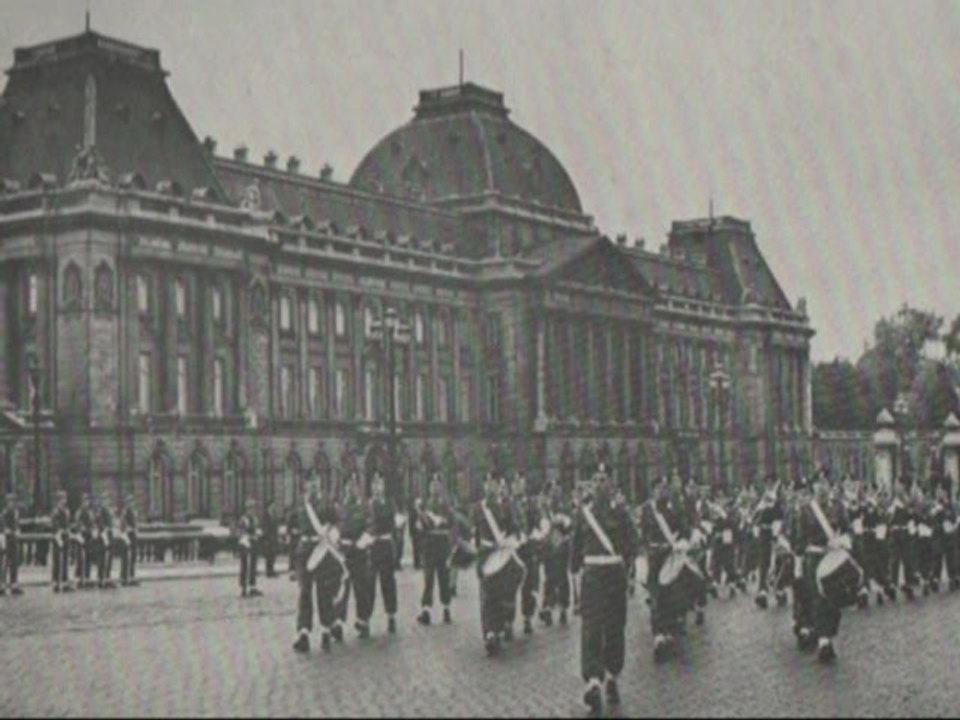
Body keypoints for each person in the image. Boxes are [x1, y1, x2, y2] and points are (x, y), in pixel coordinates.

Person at [573, 469, 639, 715]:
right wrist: (573, 571)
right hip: (591, 577)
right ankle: (593, 680)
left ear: (611, 483)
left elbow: (633, 542)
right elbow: (576, 545)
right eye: (595, 480)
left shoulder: (620, 512)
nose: (599, 484)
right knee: (590, 626)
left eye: (603, 480)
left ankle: (612, 674)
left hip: (613, 576)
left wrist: (628, 570)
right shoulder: (584, 512)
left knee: (614, 626)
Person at [792, 471, 852, 663]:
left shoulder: (838, 507)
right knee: (818, 597)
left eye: (825, 482)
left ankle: (827, 635)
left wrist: (842, 540)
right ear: (813, 488)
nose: (822, 486)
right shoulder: (806, 510)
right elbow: (799, 539)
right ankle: (823, 641)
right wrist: (799, 562)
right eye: (818, 483)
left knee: (834, 599)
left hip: (834, 557)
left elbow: (848, 529)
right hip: (815, 558)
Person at [641, 475, 694, 661]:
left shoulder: (675, 509)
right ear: (653, 491)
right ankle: (658, 634)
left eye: (664, 488)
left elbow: (685, 530)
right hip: (654, 557)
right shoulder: (647, 510)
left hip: (671, 557)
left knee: (671, 593)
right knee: (655, 595)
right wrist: (647, 548)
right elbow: (643, 534)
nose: (661, 491)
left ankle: (670, 630)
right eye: (658, 488)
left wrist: (682, 543)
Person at [293, 480, 345, 654]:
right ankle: (303, 633)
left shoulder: (327, 503)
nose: (313, 486)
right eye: (310, 483)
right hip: (304, 552)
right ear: (305, 485)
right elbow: (293, 526)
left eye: (316, 482)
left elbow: (339, 521)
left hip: (322, 550)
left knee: (324, 592)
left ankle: (325, 630)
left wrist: (334, 532)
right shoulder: (301, 504)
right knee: (304, 592)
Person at [474, 474, 523, 654]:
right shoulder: (479, 508)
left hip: (501, 554)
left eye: (493, 483)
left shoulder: (506, 506)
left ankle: (500, 626)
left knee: (499, 593)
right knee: (486, 595)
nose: (490, 487)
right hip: (486, 554)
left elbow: (514, 529)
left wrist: (511, 541)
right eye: (487, 483)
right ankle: (489, 633)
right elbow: (475, 534)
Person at [417, 477, 455, 626]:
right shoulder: (425, 504)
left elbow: (451, 522)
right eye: (432, 485)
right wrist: (421, 523)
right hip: (429, 545)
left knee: (444, 577)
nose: (434, 488)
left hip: (442, 544)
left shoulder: (446, 504)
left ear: (441, 487)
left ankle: (446, 608)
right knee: (428, 579)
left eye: (437, 485)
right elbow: (420, 526)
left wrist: (442, 521)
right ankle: (426, 610)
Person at [338, 476, 373, 638]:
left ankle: (363, 620)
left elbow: (371, 526)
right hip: (344, 552)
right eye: (348, 485)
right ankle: (338, 621)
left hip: (359, 551)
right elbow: (335, 526)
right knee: (341, 588)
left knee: (361, 587)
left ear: (359, 488)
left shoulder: (364, 507)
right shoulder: (340, 507)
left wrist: (363, 541)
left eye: (354, 485)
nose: (351, 489)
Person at [367, 473, 398, 634]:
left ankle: (391, 615)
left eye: (380, 484)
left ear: (384, 487)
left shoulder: (389, 504)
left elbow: (393, 526)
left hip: (385, 545)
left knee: (388, 583)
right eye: (374, 484)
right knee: (368, 584)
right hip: (371, 547)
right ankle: (365, 619)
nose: (377, 488)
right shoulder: (367, 505)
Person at [512, 472, 541, 636]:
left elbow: (537, 522)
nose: (518, 486)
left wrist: (534, 534)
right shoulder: (508, 504)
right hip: (513, 548)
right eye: (515, 483)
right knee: (509, 585)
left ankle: (527, 617)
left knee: (528, 583)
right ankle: (507, 621)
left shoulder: (531, 503)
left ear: (525, 485)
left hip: (528, 548)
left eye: (520, 483)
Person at [540, 482, 573, 627]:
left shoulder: (565, 507)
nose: (553, 494)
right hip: (549, 548)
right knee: (549, 578)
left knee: (562, 578)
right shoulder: (544, 509)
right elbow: (542, 526)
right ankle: (548, 606)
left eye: (556, 491)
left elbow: (570, 525)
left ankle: (563, 608)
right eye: (551, 492)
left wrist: (563, 520)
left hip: (562, 547)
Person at [888, 479, 917, 600]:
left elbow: (912, 514)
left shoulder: (907, 500)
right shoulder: (892, 501)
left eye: (898, 485)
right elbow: (888, 517)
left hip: (905, 531)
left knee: (907, 559)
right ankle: (893, 584)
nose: (896, 488)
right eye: (895, 485)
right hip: (895, 532)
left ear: (903, 486)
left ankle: (908, 583)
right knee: (894, 559)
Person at [237, 498, 262, 599]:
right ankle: (244, 587)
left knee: (253, 566)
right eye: (250, 508)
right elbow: (240, 532)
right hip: (245, 544)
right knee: (245, 566)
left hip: (254, 544)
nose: (252, 511)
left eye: (253, 508)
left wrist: (257, 533)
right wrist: (247, 538)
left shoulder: (255, 519)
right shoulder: (243, 520)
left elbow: (257, 529)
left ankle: (252, 586)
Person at [51, 491, 73, 593]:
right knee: (57, 560)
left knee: (65, 560)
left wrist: (68, 531)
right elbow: (55, 525)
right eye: (62, 499)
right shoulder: (56, 512)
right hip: (59, 536)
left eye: (64, 498)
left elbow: (67, 524)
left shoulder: (66, 511)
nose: (64, 501)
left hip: (65, 536)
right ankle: (56, 582)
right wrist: (59, 533)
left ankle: (64, 582)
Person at [2, 494, 23, 596]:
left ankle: (14, 584)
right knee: (4, 563)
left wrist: (17, 530)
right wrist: (9, 531)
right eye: (10, 501)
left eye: (13, 501)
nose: (12, 503)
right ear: (7, 502)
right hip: (7, 539)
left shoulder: (15, 512)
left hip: (14, 539)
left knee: (14, 562)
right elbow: (3, 526)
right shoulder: (5, 513)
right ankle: (2, 585)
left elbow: (17, 524)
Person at [95, 492, 117, 590]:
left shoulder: (108, 510)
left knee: (108, 558)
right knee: (103, 559)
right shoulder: (101, 511)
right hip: (104, 536)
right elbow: (100, 525)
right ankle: (101, 579)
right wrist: (105, 536)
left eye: (108, 500)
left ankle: (107, 578)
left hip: (109, 535)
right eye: (105, 500)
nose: (107, 501)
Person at [75, 493, 95, 590]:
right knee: (81, 558)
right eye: (85, 501)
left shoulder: (89, 512)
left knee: (88, 558)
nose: (86, 503)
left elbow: (92, 523)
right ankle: (81, 579)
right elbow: (78, 524)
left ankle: (87, 578)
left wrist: (92, 530)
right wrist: (81, 530)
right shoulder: (79, 512)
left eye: (87, 501)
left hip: (89, 537)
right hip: (82, 537)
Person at [119, 494, 139, 587]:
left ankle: (131, 576)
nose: (131, 503)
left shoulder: (132, 511)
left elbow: (135, 523)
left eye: (132, 502)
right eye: (129, 502)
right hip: (128, 535)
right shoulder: (125, 512)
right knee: (127, 557)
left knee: (133, 557)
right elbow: (123, 524)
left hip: (133, 534)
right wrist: (128, 529)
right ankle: (125, 578)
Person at [262, 500, 280, 579]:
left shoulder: (274, 515)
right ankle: (268, 571)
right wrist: (266, 536)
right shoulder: (266, 516)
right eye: (272, 506)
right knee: (268, 556)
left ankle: (272, 570)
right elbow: (264, 527)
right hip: (268, 539)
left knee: (273, 556)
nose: (273, 507)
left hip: (274, 539)